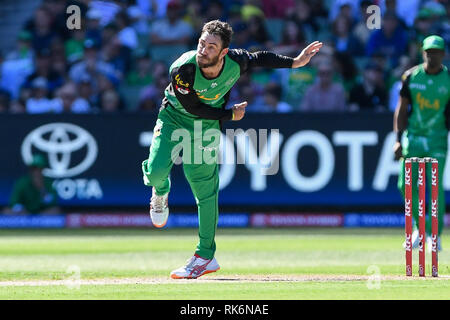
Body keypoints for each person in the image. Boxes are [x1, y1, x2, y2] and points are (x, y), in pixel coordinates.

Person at [141, 20, 322, 279]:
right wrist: (229, 115)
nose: (204, 49)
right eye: (202, 43)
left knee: (205, 190)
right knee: (157, 172)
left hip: (205, 128)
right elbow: (194, 108)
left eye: (211, 47)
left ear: (223, 52)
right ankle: (161, 191)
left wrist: (295, 62)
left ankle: (205, 256)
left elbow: (260, 57)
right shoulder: (183, 69)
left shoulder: (236, 61)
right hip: (174, 118)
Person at [394, 35, 449, 252]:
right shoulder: (410, 76)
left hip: (438, 138)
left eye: (436, 52)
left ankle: (436, 235)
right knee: (404, 185)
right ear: (423, 52)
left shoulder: (448, 78)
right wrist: (397, 139)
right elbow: (401, 109)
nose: (431, 56)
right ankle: (422, 228)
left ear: (443, 54)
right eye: (428, 52)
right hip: (414, 137)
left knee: (435, 189)